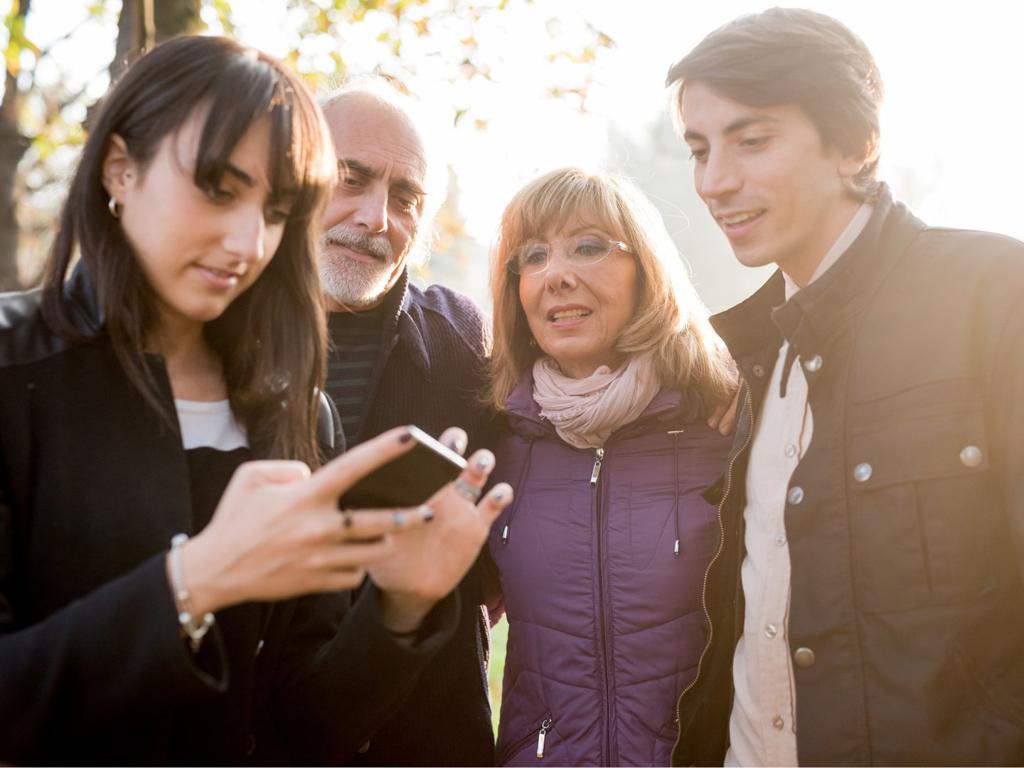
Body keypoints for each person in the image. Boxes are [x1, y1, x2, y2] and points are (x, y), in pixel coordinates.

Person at [0, 36, 511, 765]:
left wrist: (400, 610)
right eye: (218, 188)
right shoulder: (12, 367)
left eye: (276, 208)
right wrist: (198, 580)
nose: (247, 240)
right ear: (120, 168)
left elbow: (302, 730)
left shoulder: (295, 412)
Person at [665, 8, 1024, 766]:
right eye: (699, 149)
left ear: (856, 146)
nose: (714, 181)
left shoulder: (994, 295)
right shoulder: (741, 359)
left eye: (752, 139)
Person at [484, 167, 735, 766]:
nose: (557, 275)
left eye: (589, 246)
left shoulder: (725, 420)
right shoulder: (497, 435)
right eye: (533, 256)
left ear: (645, 270)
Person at [315, 79, 498, 765]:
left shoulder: (459, 340)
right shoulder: (210, 335)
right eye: (350, 180)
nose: (375, 218)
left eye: (405, 198)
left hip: (420, 735)